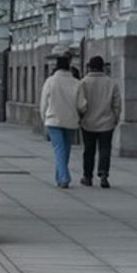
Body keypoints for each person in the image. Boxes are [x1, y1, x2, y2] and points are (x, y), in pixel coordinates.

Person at [39, 54, 86, 188]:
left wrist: (44, 119)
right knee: (65, 150)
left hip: (53, 120)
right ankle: (60, 176)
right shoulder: (76, 83)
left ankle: (63, 177)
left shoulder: (50, 81)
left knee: (59, 149)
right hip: (70, 120)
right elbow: (81, 105)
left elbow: (43, 103)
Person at [77, 56, 122, 188]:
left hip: (88, 122)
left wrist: (81, 116)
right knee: (105, 149)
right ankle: (103, 174)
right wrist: (115, 117)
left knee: (88, 150)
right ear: (103, 67)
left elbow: (80, 104)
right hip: (106, 122)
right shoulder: (111, 82)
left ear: (89, 67)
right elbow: (117, 102)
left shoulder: (83, 83)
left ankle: (87, 176)